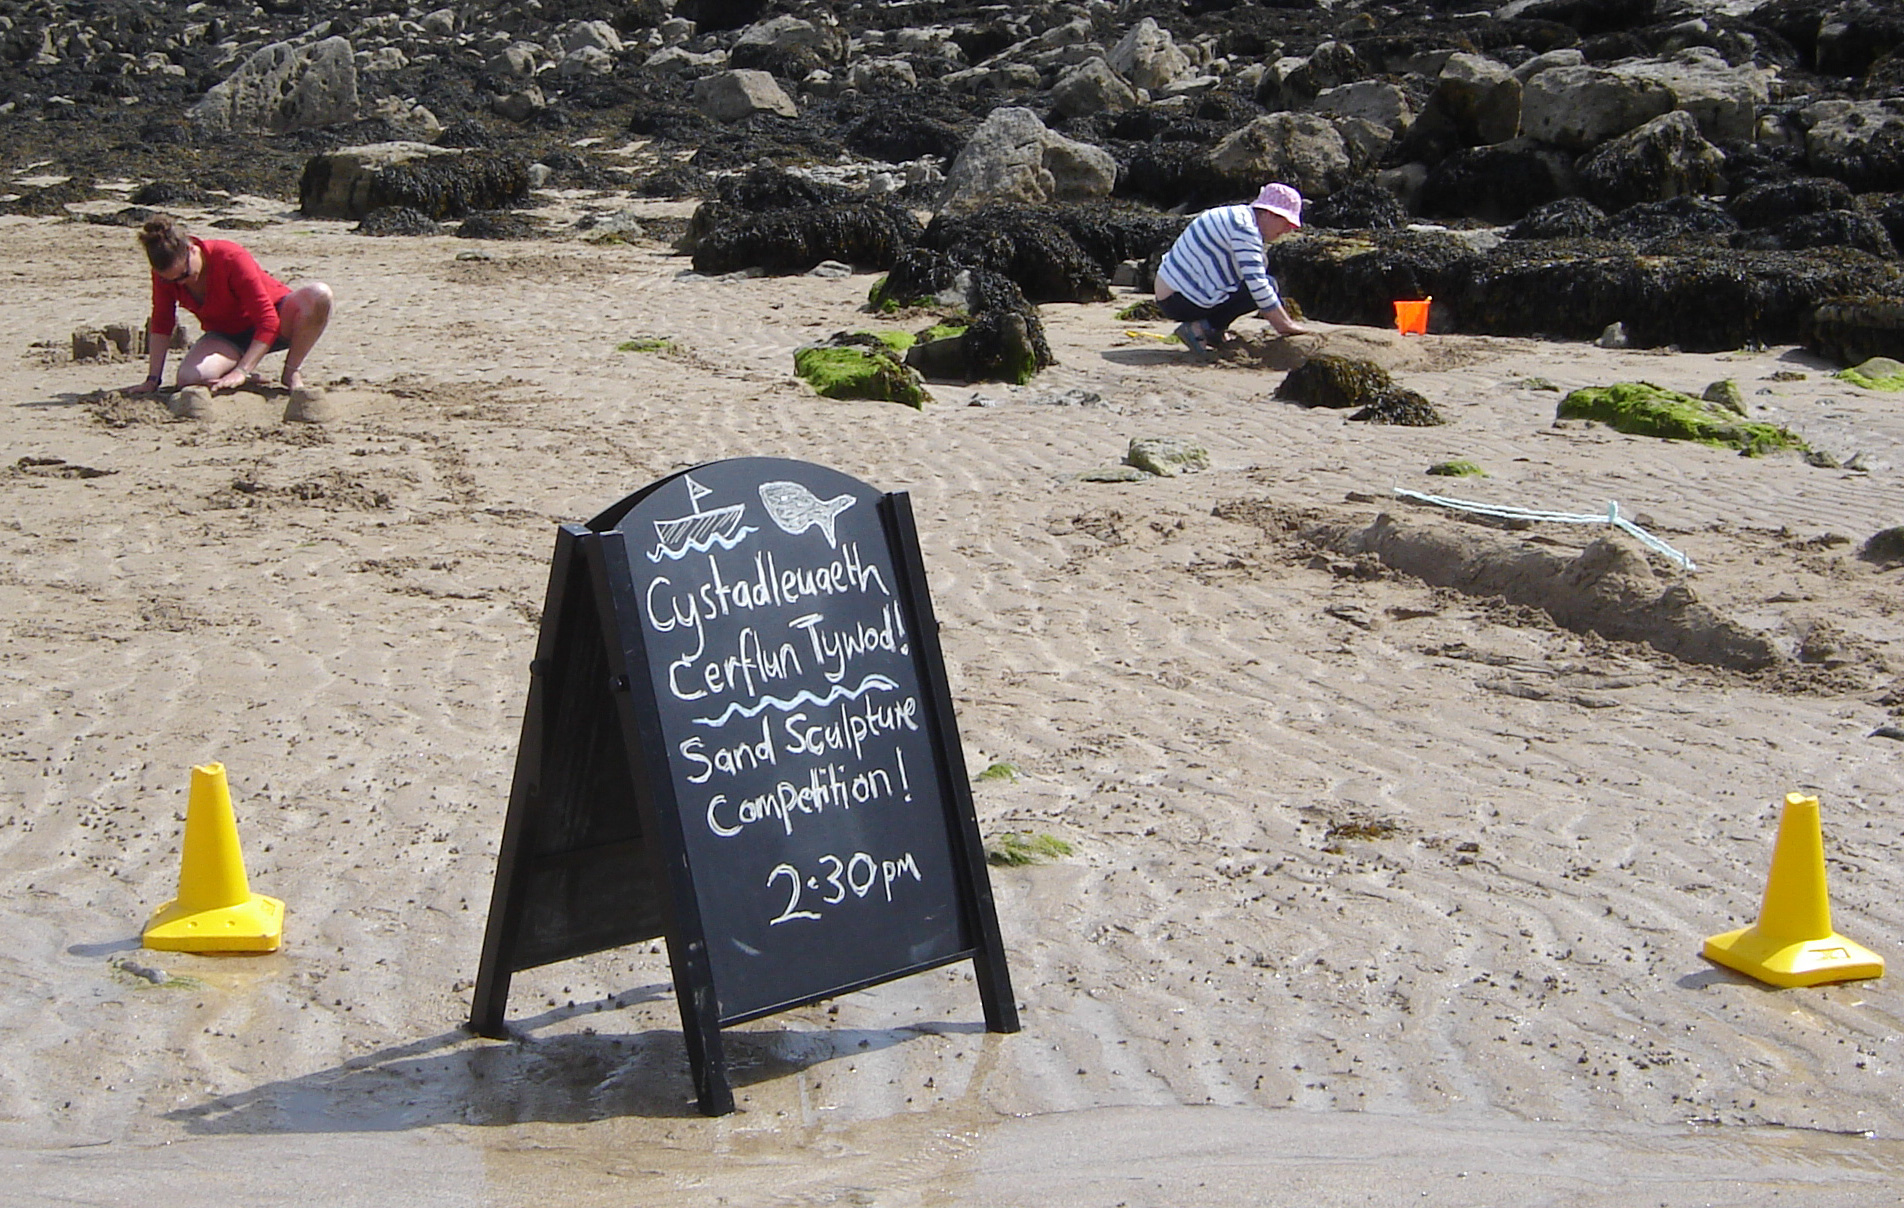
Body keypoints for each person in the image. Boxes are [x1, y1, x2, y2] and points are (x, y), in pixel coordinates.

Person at [126, 214, 333, 395]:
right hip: (229, 336)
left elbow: (268, 321)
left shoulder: (230, 257)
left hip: (279, 320)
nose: (180, 283)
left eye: (185, 275)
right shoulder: (165, 276)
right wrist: (152, 379)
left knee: (319, 295)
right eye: (172, 280)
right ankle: (241, 373)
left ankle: (290, 372)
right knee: (190, 378)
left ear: (192, 249)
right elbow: (162, 322)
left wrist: (242, 370)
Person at [1154, 182, 1308, 358]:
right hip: (1179, 300)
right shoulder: (1245, 229)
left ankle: (1211, 329)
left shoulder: (1237, 215)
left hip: (1173, 293)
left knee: (1259, 276)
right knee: (1266, 286)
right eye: (1286, 221)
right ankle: (1200, 329)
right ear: (1267, 213)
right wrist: (1284, 325)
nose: (1288, 229)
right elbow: (1257, 284)